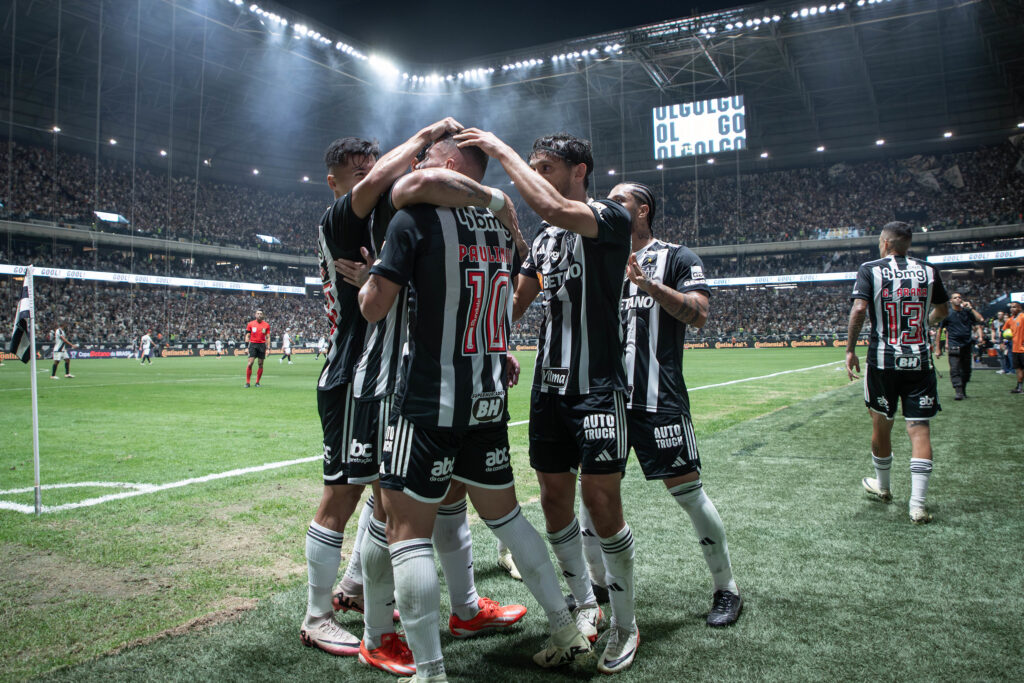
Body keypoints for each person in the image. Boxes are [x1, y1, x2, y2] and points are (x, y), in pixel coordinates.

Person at [359, 131, 590, 683]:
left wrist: (367, 278)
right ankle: (566, 630)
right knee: (507, 518)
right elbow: (501, 303)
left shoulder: (412, 220)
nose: (418, 164)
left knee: (405, 531)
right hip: (485, 396)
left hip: (426, 398)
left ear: (453, 162)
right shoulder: (505, 230)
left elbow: (373, 308)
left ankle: (432, 672)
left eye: (428, 158)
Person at [327, 131, 529, 677]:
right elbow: (409, 180)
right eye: (367, 167)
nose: (384, 167)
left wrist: (498, 345)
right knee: (387, 504)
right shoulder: (363, 213)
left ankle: (459, 609)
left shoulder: (430, 209)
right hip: (381, 377)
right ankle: (375, 628)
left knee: (435, 497)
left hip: (428, 378)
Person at [456, 128, 638, 673]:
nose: (538, 175)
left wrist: (500, 151)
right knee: (554, 499)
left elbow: (553, 206)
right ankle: (585, 605)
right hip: (549, 390)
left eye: (547, 167)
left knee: (603, 506)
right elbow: (516, 302)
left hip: (598, 388)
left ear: (579, 171)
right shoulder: (546, 240)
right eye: (534, 166)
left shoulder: (609, 217)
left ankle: (626, 624)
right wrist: (490, 341)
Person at [613, 181, 742, 627]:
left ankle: (727, 588)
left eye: (619, 202)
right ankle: (594, 590)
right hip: (607, 399)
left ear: (642, 210)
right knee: (596, 496)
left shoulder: (679, 257)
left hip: (659, 396)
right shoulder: (601, 258)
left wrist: (648, 285)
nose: (609, 207)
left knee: (688, 493)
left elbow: (700, 314)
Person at [845, 221, 949, 524]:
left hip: (883, 361)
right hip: (919, 360)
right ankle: (917, 505)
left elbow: (860, 309)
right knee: (919, 429)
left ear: (886, 243)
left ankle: (885, 487)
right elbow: (942, 311)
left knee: (881, 423)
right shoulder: (929, 271)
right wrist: (923, 323)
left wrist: (850, 349)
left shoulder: (870, 268)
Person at [935, 292, 984, 400]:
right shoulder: (947, 314)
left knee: (966, 370)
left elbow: (980, 319)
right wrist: (938, 348)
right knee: (955, 368)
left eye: (959, 297)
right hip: (954, 344)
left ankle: (963, 389)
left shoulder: (967, 312)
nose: (958, 299)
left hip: (967, 344)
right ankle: (958, 391)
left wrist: (971, 308)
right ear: (951, 301)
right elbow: (939, 331)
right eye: (955, 297)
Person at [244, 310, 269, 387]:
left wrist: (268, 348)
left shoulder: (266, 325)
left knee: (260, 364)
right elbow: (247, 336)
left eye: (261, 314)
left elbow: (268, 337)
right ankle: (247, 383)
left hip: (262, 345)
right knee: (250, 363)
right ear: (255, 315)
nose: (259, 315)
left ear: (263, 315)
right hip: (253, 344)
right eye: (258, 313)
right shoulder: (250, 324)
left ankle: (257, 382)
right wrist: (246, 347)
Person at [1007, 301, 1024, 393]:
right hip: (1015, 348)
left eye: (1014, 307)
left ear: (1019, 308)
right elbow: (1005, 331)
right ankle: (1019, 387)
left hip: (1023, 348)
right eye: (1011, 307)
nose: (1012, 309)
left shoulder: (1023, 317)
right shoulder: (1010, 319)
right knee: (1018, 368)